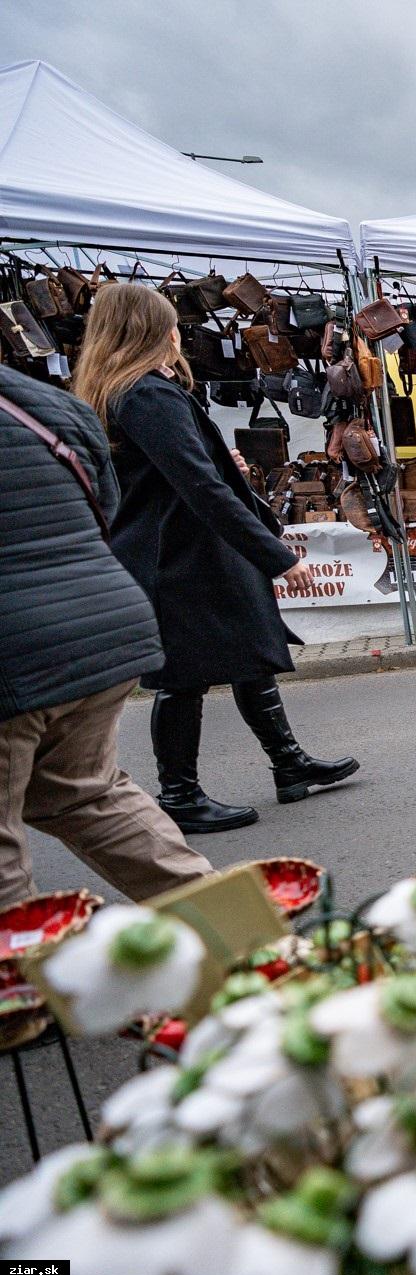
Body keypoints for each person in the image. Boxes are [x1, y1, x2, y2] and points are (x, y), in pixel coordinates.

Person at [78, 284, 357, 835]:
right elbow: (199, 488)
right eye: (172, 324)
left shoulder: (123, 392)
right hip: (180, 556)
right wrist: (277, 557)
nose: (178, 333)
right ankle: (179, 795)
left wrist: (218, 459)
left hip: (183, 551)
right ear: (154, 331)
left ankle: (288, 763)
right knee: (182, 678)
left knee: (248, 650)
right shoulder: (146, 394)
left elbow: (170, 473)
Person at [0, 363, 215, 907]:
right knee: (86, 794)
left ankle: (21, 962)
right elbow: (103, 513)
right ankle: (234, 929)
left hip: (15, 649)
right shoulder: (50, 405)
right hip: (102, 624)